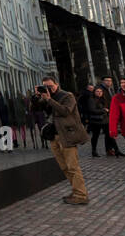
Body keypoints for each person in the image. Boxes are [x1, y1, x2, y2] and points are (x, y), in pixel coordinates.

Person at [33, 75, 90, 205]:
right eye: (46, 87)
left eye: (50, 86)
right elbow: (34, 109)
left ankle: (81, 195)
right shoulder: (46, 97)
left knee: (72, 166)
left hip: (67, 135)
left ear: (56, 84)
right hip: (54, 136)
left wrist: (49, 99)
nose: (49, 89)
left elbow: (66, 111)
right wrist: (36, 97)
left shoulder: (67, 96)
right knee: (64, 167)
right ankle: (76, 191)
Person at [85, 83, 119, 158]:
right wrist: (103, 110)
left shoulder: (104, 99)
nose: (99, 93)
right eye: (97, 91)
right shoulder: (91, 99)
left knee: (110, 135)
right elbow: (92, 110)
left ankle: (117, 150)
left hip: (105, 120)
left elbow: (108, 108)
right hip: (96, 121)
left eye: (101, 91)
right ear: (94, 92)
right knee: (95, 136)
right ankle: (94, 151)